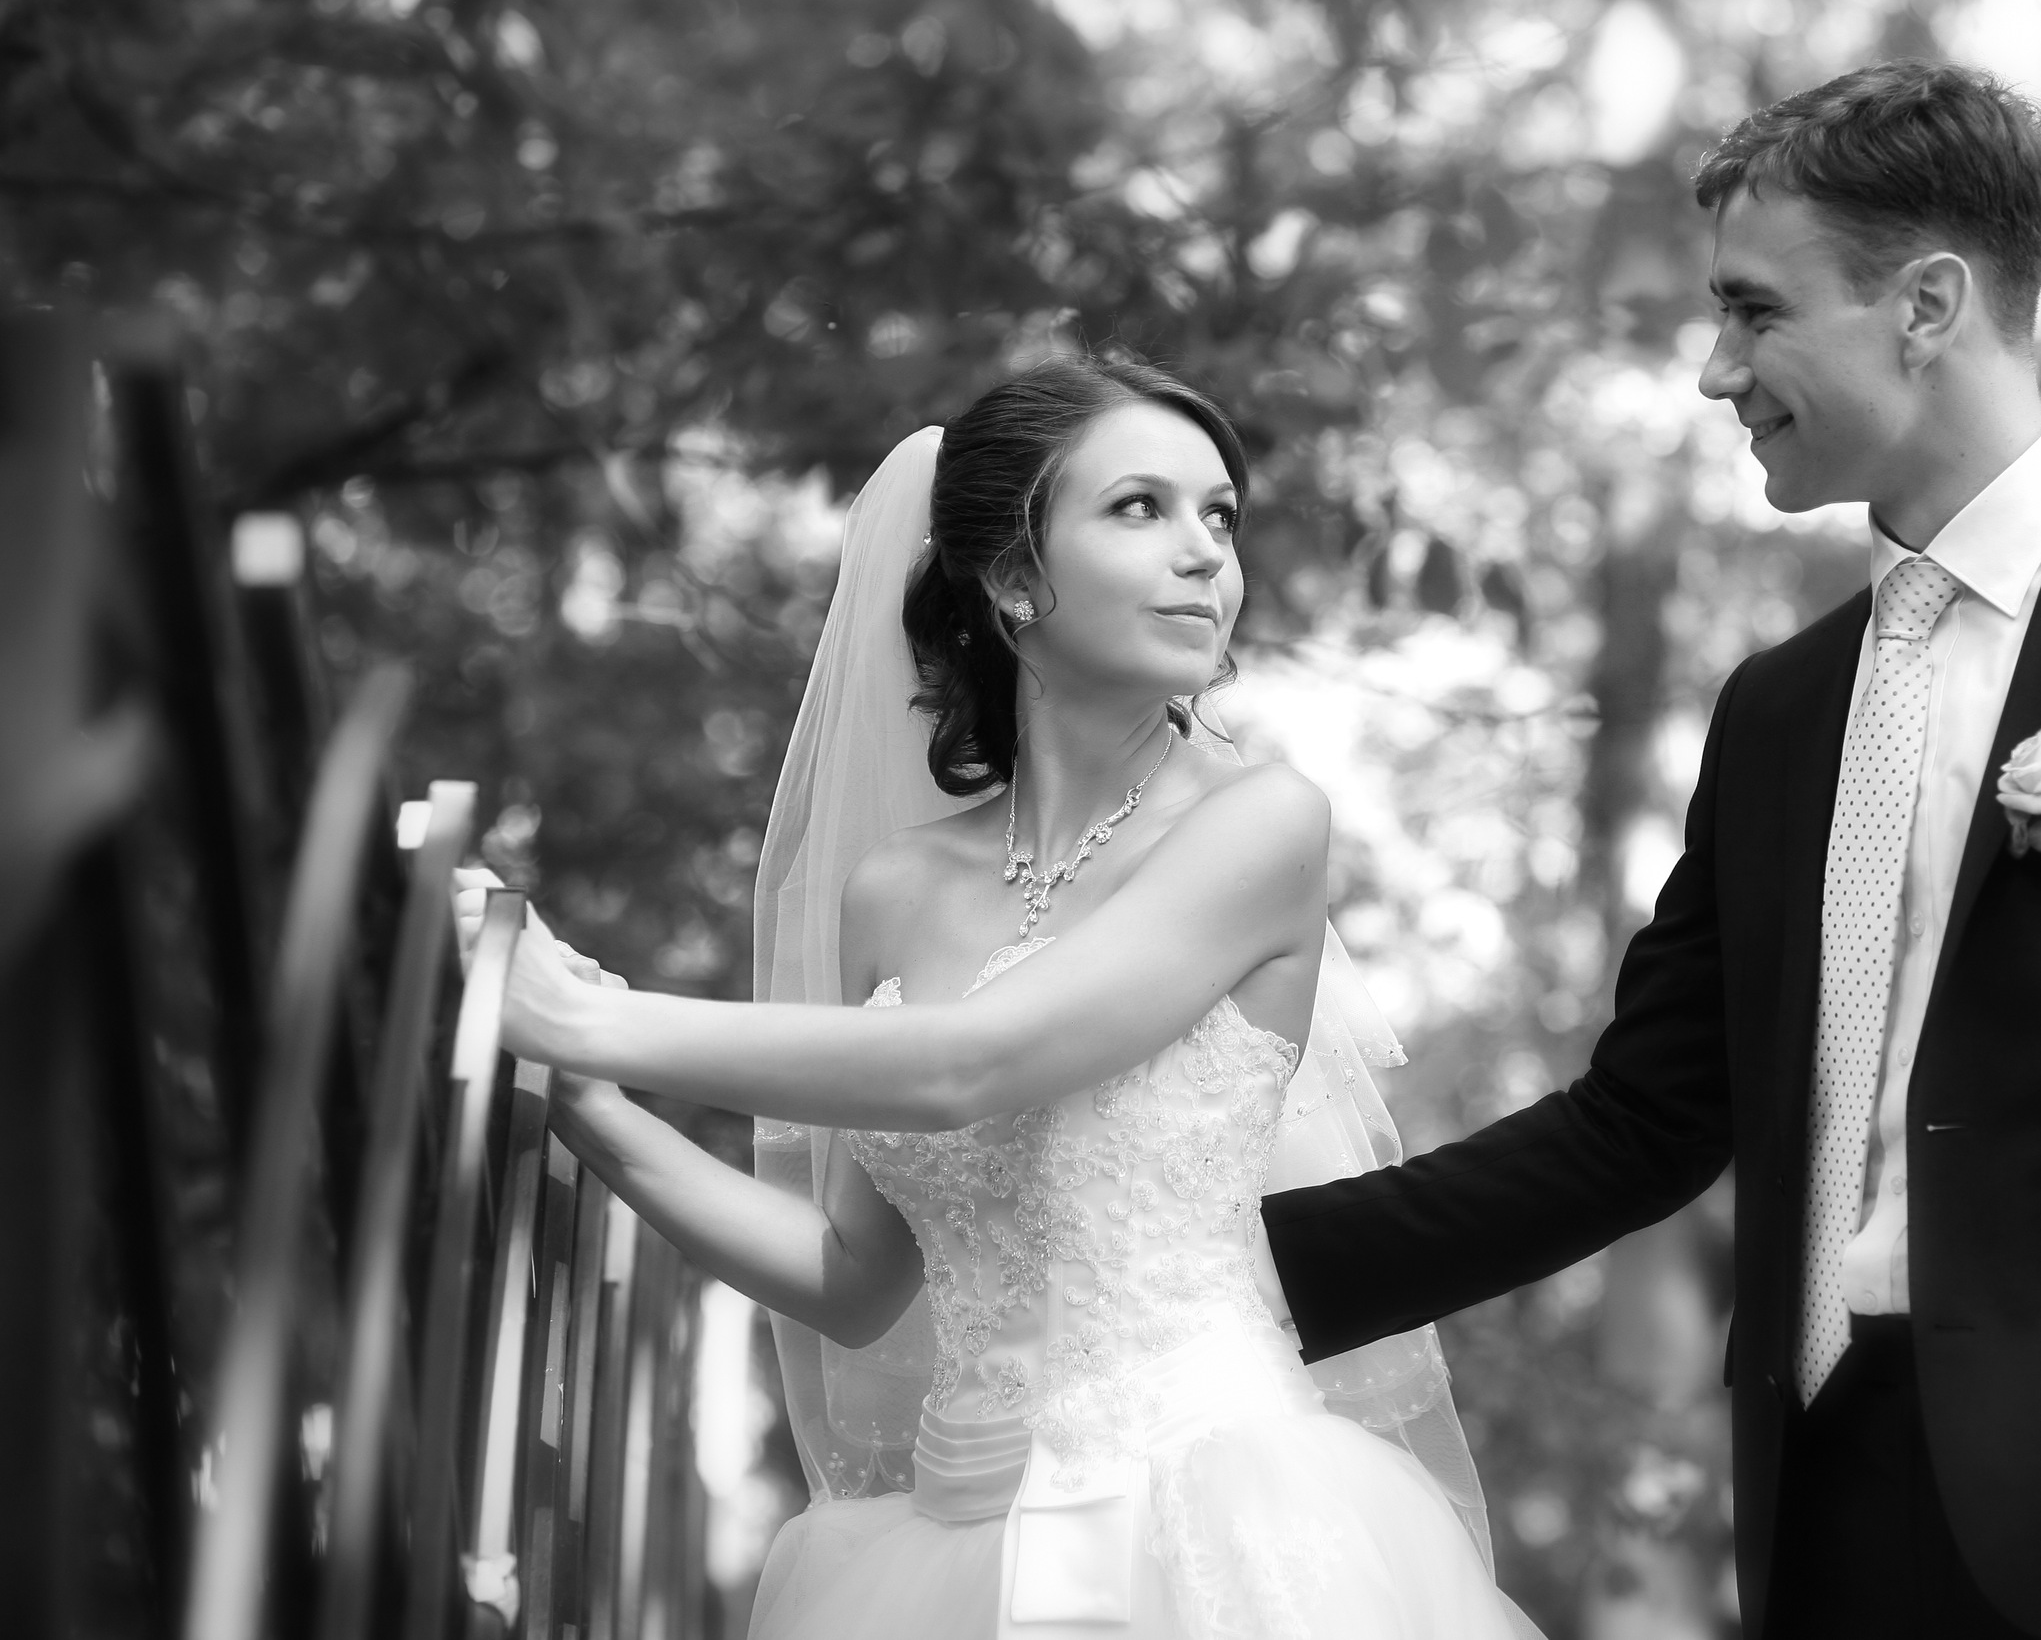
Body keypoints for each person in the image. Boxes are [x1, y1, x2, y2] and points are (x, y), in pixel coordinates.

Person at [1259, 61, 2041, 1640]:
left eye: (1754, 313)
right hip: (1826, 1511)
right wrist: (1246, 1274)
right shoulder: (1776, 710)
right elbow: (1643, 1118)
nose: (1717, 370)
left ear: (1927, 305)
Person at [456, 355, 1539, 1639]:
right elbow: (852, 1276)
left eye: (1218, 515)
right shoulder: (893, 891)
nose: (1204, 551)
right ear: (1015, 579)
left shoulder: (1261, 827)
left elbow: (970, 1062)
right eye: (1139, 508)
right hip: (941, 1560)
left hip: (1207, 1531)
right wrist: (590, 1103)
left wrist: (590, 1016)